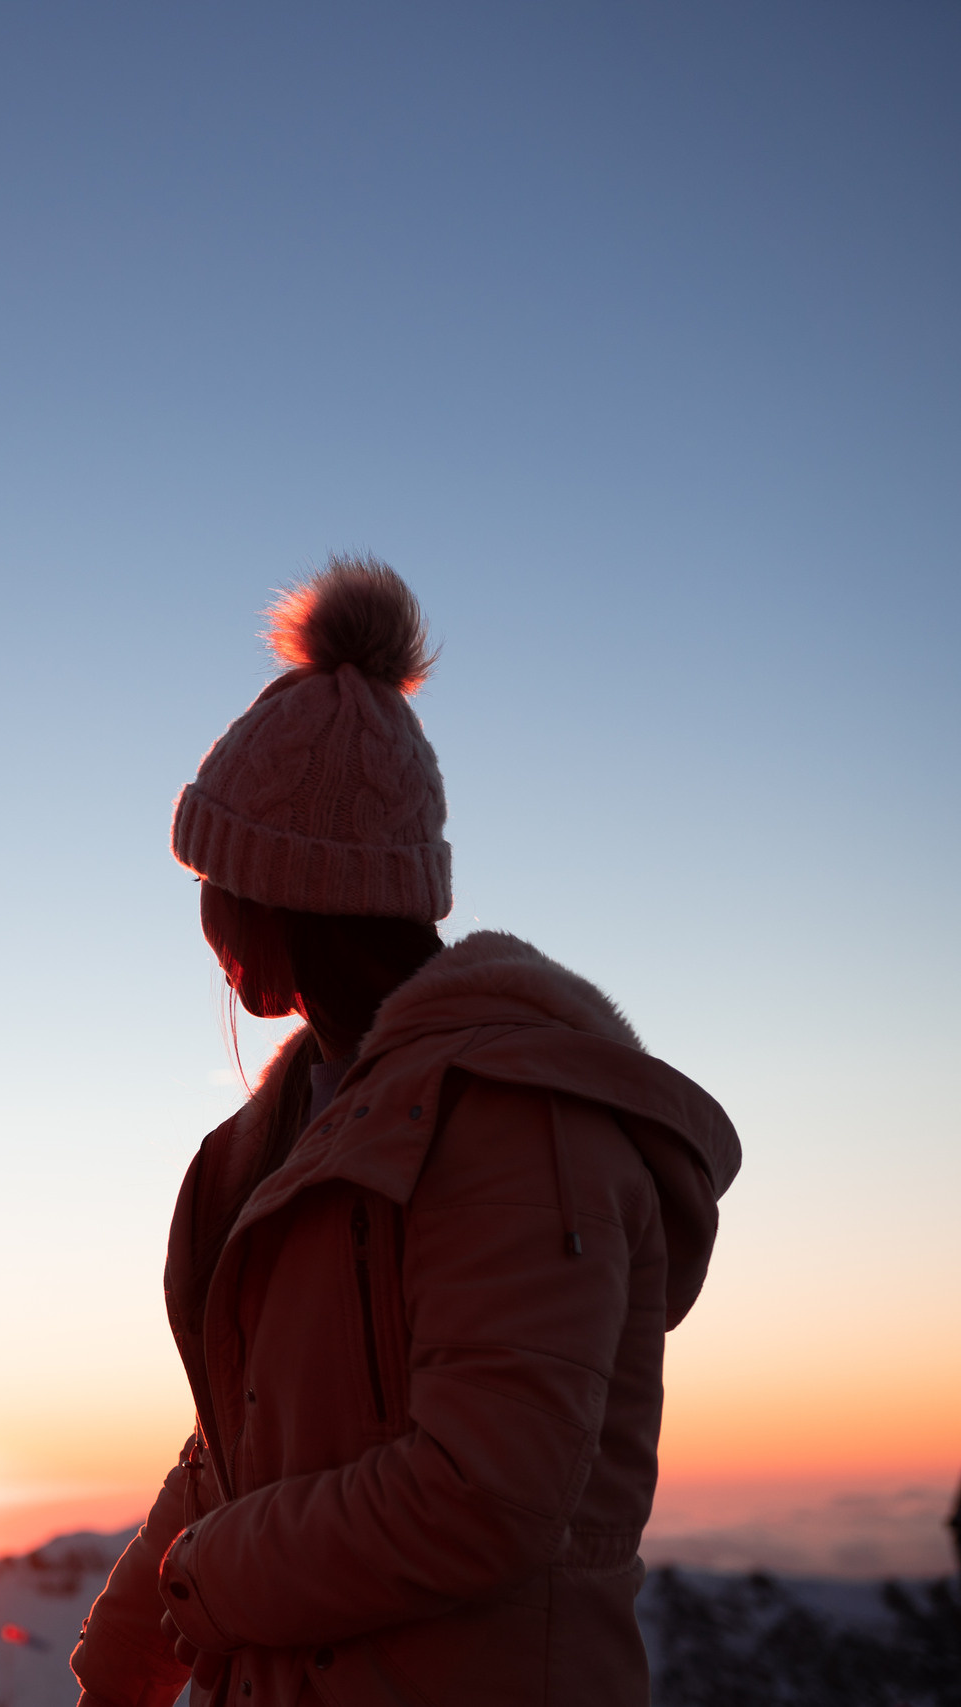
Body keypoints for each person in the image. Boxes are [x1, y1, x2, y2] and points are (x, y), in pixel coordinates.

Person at [67, 558, 741, 1707]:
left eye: (214, 879)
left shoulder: (518, 1123)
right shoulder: (293, 1135)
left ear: (281, 891)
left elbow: (483, 1493)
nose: (205, 923)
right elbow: (239, 1452)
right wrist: (115, 1670)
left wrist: (206, 1581)